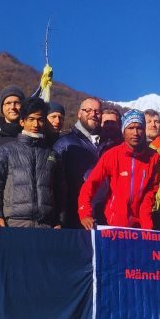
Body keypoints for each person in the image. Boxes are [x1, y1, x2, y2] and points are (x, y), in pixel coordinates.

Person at [0, 97, 64, 228]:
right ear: (22, 122)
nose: (36, 125)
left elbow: (61, 191)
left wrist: (59, 220)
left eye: (40, 120)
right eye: (31, 119)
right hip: (13, 223)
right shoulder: (5, 151)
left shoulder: (52, 155)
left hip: (46, 225)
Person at [78, 110, 160, 230]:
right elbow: (90, 184)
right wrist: (85, 213)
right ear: (123, 131)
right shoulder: (112, 155)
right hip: (112, 223)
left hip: (140, 226)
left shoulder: (153, 157)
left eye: (139, 128)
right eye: (131, 128)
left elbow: (150, 193)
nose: (135, 133)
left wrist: (147, 224)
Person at [53, 97, 108, 229]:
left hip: (104, 220)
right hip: (74, 219)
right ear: (79, 113)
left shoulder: (109, 145)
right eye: (88, 110)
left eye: (97, 111)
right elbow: (55, 185)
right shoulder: (64, 144)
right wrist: (58, 219)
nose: (93, 114)